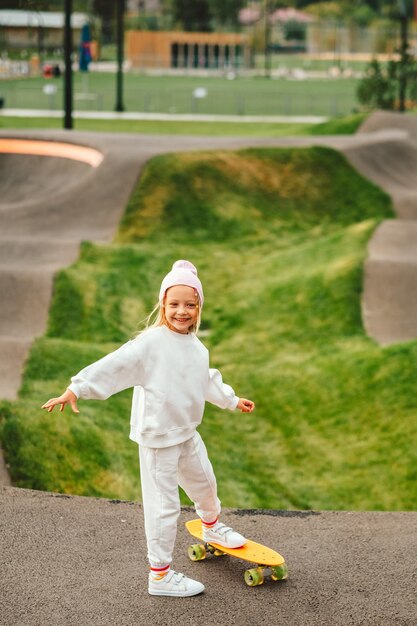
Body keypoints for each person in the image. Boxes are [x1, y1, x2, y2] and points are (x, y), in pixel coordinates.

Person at [42, 260, 255, 598]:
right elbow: (114, 364)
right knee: (163, 506)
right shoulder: (151, 344)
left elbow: (206, 380)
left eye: (190, 304)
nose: (181, 311)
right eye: (174, 304)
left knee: (205, 483)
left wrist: (232, 400)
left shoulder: (197, 347)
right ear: (162, 305)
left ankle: (212, 528)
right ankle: (160, 574)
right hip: (158, 439)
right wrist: (76, 388)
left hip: (186, 432)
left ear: (200, 307)